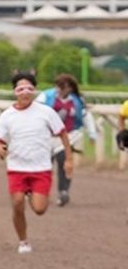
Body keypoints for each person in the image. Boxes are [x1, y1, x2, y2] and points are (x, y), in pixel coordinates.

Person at [0, 72, 73, 254]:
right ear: (15, 92)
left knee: (39, 209)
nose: (25, 93)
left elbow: (62, 133)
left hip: (41, 168)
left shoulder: (46, 112)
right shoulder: (7, 116)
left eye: (29, 88)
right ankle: (23, 241)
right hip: (16, 168)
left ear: (34, 91)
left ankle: (32, 194)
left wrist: (69, 159)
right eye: (21, 89)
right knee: (17, 203)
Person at [35, 74, 97, 206]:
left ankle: (63, 191)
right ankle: (41, 192)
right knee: (44, 165)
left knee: (64, 161)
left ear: (69, 87)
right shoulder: (45, 96)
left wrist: (92, 134)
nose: (58, 90)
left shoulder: (77, 100)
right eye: (57, 86)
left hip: (67, 137)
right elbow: (34, 112)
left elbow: (86, 117)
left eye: (62, 87)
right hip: (46, 136)